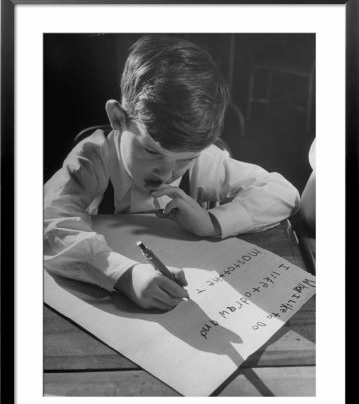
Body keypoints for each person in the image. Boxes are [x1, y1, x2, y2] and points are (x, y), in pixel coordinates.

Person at [44, 35, 300, 311]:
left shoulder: (206, 162)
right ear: (118, 119)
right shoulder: (92, 159)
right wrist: (124, 274)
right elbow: (47, 222)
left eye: (185, 159)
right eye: (152, 151)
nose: (167, 172)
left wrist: (212, 222)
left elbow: (283, 193)